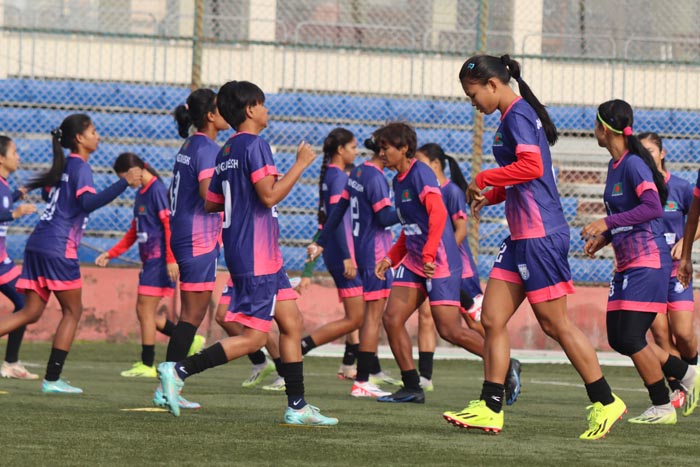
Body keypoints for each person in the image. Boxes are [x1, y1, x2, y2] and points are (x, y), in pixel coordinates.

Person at [444, 55, 625, 440]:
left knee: (554, 323)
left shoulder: (519, 115)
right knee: (491, 318)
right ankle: (490, 406)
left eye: (472, 93)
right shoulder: (509, 118)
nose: (471, 102)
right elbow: (522, 175)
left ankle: (606, 401)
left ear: (492, 85)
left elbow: (532, 167)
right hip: (521, 235)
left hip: (540, 234)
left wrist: (484, 176)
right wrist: (491, 194)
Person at [157, 80, 337, 425]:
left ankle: (297, 406)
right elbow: (268, 196)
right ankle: (179, 370)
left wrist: (240, 197)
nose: (267, 110)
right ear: (251, 109)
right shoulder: (255, 144)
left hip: (251, 249)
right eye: (263, 104)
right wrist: (300, 165)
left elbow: (212, 201)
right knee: (255, 335)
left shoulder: (225, 150)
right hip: (257, 252)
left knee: (291, 322)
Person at [2, 114, 141, 393]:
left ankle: (52, 379)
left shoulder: (66, 166)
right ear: (79, 138)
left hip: (38, 242)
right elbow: (87, 202)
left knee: (30, 311)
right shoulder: (80, 167)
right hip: (58, 247)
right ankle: (52, 380)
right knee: (73, 310)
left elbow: (48, 196)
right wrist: (123, 182)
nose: (97, 135)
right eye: (93, 131)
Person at [583, 100, 700, 424]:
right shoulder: (615, 165)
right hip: (625, 261)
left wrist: (606, 224)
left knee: (632, 337)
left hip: (647, 260)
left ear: (604, 129)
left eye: (595, 125)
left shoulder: (634, 164)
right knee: (619, 338)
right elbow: (625, 217)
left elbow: (652, 208)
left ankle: (663, 404)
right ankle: (688, 376)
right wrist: (605, 237)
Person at [373, 122, 486, 404]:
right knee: (392, 318)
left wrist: (428, 254)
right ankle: (412, 386)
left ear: (404, 148)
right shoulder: (397, 182)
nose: (381, 152)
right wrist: (391, 257)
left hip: (439, 261)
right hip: (414, 261)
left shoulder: (420, 172)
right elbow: (410, 228)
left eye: (386, 147)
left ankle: (504, 363)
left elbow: (438, 216)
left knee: (449, 330)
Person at [414, 142, 521, 398]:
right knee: (429, 317)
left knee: (475, 324)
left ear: (435, 164)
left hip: (457, 270)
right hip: (435, 266)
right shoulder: (428, 190)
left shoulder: (450, 192)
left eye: (420, 162)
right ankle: (424, 377)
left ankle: (505, 365)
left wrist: (444, 254)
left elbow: (460, 230)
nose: (417, 167)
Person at [308, 134, 403, 398]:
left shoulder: (358, 172)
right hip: (375, 255)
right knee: (370, 318)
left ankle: (362, 373)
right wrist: (410, 209)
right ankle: (362, 380)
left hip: (363, 251)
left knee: (367, 318)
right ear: (385, 150)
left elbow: (337, 210)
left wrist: (321, 242)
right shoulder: (375, 178)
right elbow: (384, 217)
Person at [154, 88, 228, 409]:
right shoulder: (208, 149)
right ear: (211, 115)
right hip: (198, 236)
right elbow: (207, 196)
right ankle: (169, 385)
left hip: (186, 234)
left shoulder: (191, 144)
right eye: (221, 108)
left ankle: (168, 387)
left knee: (190, 316)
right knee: (192, 316)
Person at [95, 152, 186, 378]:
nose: (126, 183)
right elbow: (134, 232)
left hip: (159, 260)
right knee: (144, 312)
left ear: (136, 170)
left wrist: (171, 259)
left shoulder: (156, 190)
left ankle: (147, 364)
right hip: (150, 261)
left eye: (125, 177)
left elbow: (168, 226)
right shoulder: (141, 194)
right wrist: (111, 253)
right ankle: (186, 338)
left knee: (145, 310)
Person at [638, 132, 699, 409]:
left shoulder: (682, 187)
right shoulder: (637, 186)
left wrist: (686, 241)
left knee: (683, 333)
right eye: (641, 151)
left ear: (662, 153)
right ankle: (678, 389)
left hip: (677, 268)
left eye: (650, 150)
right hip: (649, 269)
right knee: (661, 334)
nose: (645, 155)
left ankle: (693, 372)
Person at [297, 129, 366, 368]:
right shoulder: (337, 177)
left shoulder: (333, 175)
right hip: (341, 254)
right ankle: (298, 349)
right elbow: (335, 219)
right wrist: (348, 256)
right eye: (353, 147)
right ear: (340, 150)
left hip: (340, 252)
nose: (356, 152)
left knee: (359, 316)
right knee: (356, 317)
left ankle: (355, 367)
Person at [0, 136, 38, 380]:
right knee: (26, 305)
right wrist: (14, 213)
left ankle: (11, 363)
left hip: (2, 260)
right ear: (1, 158)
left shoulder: (3, 185)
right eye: (14, 152)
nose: (18, 157)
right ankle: (10, 362)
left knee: (25, 303)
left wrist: (15, 194)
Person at [214, 275, 282, 389]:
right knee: (223, 316)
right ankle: (260, 362)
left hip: (257, 273)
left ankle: (284, 373)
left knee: (258, 323)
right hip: (237, 272)